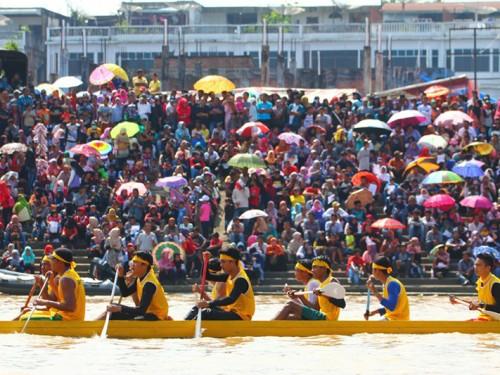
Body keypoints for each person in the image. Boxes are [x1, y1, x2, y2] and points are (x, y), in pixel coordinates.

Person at [186, 247, 255, 320]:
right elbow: (206, 276)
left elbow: (230, 299)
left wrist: (209, 303)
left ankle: (188, 330)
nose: (221, 265)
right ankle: (183, 325)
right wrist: (205, 261)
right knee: (197, 307)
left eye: (223, 262)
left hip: (241, 317)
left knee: (206, 312)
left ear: (232, 262)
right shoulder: (229, 276)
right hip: (230, 312)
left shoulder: (241, 280)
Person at [102, 251, 169, 320]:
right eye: (132, 262)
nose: (131, 265)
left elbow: (141, 310)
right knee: (113, 307)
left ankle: (93, 327)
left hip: (156, 316)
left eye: (135, 262)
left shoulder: (149, 284)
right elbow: (125, 293)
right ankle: (93, 325)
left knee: (114, 313)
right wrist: (120, 276)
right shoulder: (139, 279)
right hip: (147, 313)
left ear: (144, 265)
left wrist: (120, 309)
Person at [28, 248, 86, 321]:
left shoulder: (66, 279)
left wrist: (45, 302)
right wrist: (50, 282)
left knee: (24, 318)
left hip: (68, 319)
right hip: (68, 317)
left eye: (52, 260)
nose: (51, 262)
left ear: (60, 262)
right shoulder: (69, 274)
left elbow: (70, 307)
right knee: (26, 313)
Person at [450, 253, 500, 321]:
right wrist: (458, 300)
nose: (475, 267)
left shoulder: (496, 284)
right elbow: (480, 303)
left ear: (488, 268)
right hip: (485, 317)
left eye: (479, 265)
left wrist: (480, 305)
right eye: (475, 264)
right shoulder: (480, 281)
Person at [365, 256, 410, 321]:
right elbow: (393, 308)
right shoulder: (387, 283)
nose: (372, 273)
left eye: (372, 270)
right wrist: (375, 312)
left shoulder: (392, 284)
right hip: (392, 318)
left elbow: (391, 307)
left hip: (398, 321)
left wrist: (374, 291)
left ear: (378, 271)